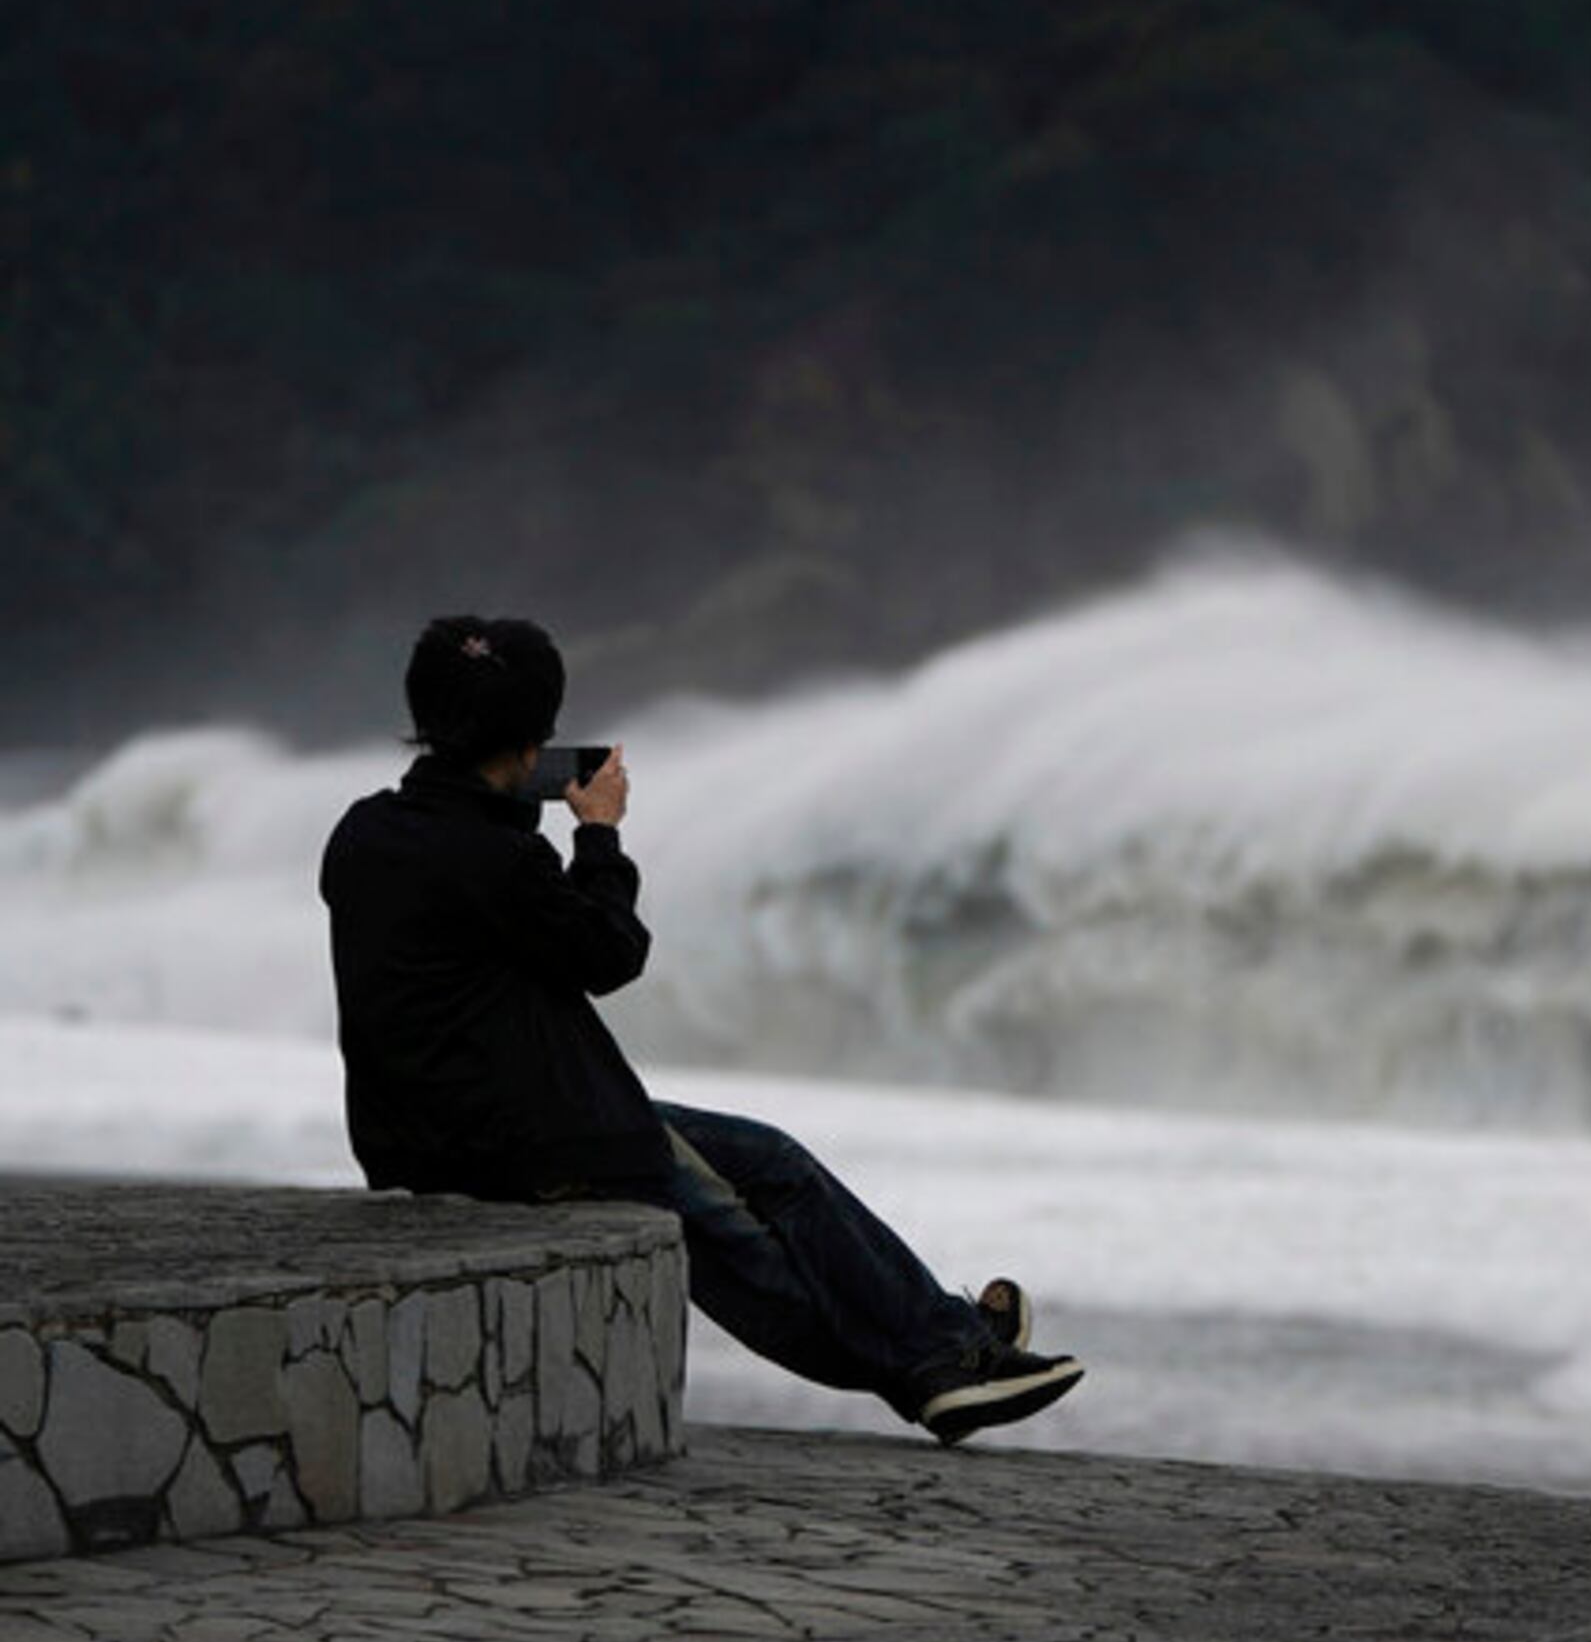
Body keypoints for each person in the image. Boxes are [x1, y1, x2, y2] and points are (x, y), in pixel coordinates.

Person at [319, 613, 1084, 1444]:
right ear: (531, 735)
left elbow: (482, 936)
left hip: (433, 1134)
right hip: (545, 1146)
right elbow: (610, 951)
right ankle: (939, 1366)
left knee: (774, 1160)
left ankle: (947, 1340)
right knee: (748, 1253)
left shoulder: (366, 832)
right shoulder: (494, 857)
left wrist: (513, 810)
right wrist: (598, 831)